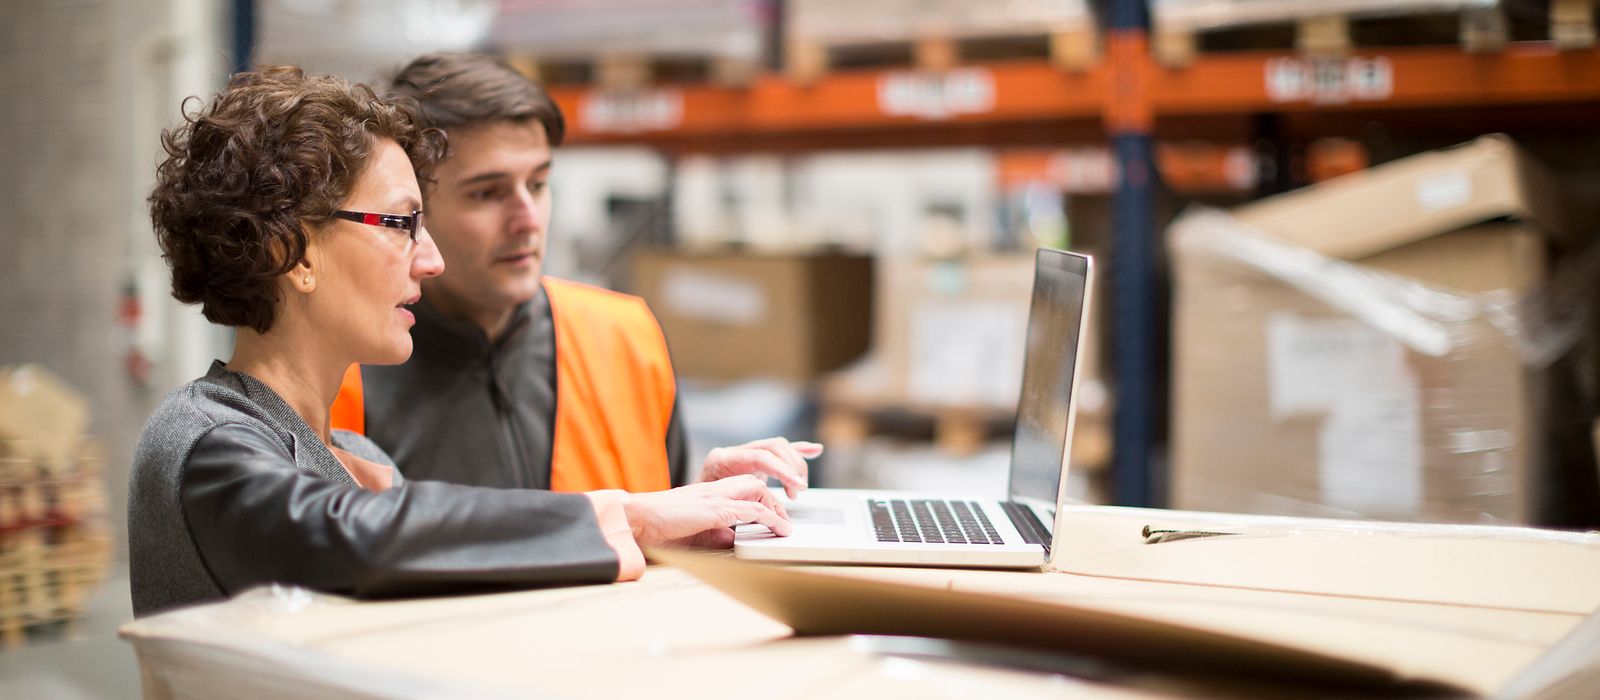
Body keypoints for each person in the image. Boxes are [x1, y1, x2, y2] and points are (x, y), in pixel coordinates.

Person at [127, 66, 791, 618]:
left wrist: (683, 523)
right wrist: (629, 516)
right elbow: (349, 538)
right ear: (291, 250)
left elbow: (460, 582)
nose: (430, 260)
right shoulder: (203, 440)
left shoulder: (356, 455)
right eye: (401, 224)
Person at [329, 53, 819, 497]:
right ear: (415, 210)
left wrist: (700, 501)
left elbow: (656, 539)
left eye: (539, 184)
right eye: (487, 193)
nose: (528, 218)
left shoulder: (624, 337)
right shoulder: (346, 376)